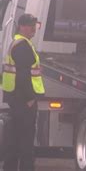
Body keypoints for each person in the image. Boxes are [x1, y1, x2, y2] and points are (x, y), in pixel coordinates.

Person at [2, 14, 45, 171]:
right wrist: (30, 98)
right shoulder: (22, 45)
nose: (33, 28)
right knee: (25, 141)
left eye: (34, 25)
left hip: (16, 99)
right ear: (21, 26)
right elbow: (23, 73)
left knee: (14, 139)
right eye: (29, 25)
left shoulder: (20, 43)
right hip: (23, 101)